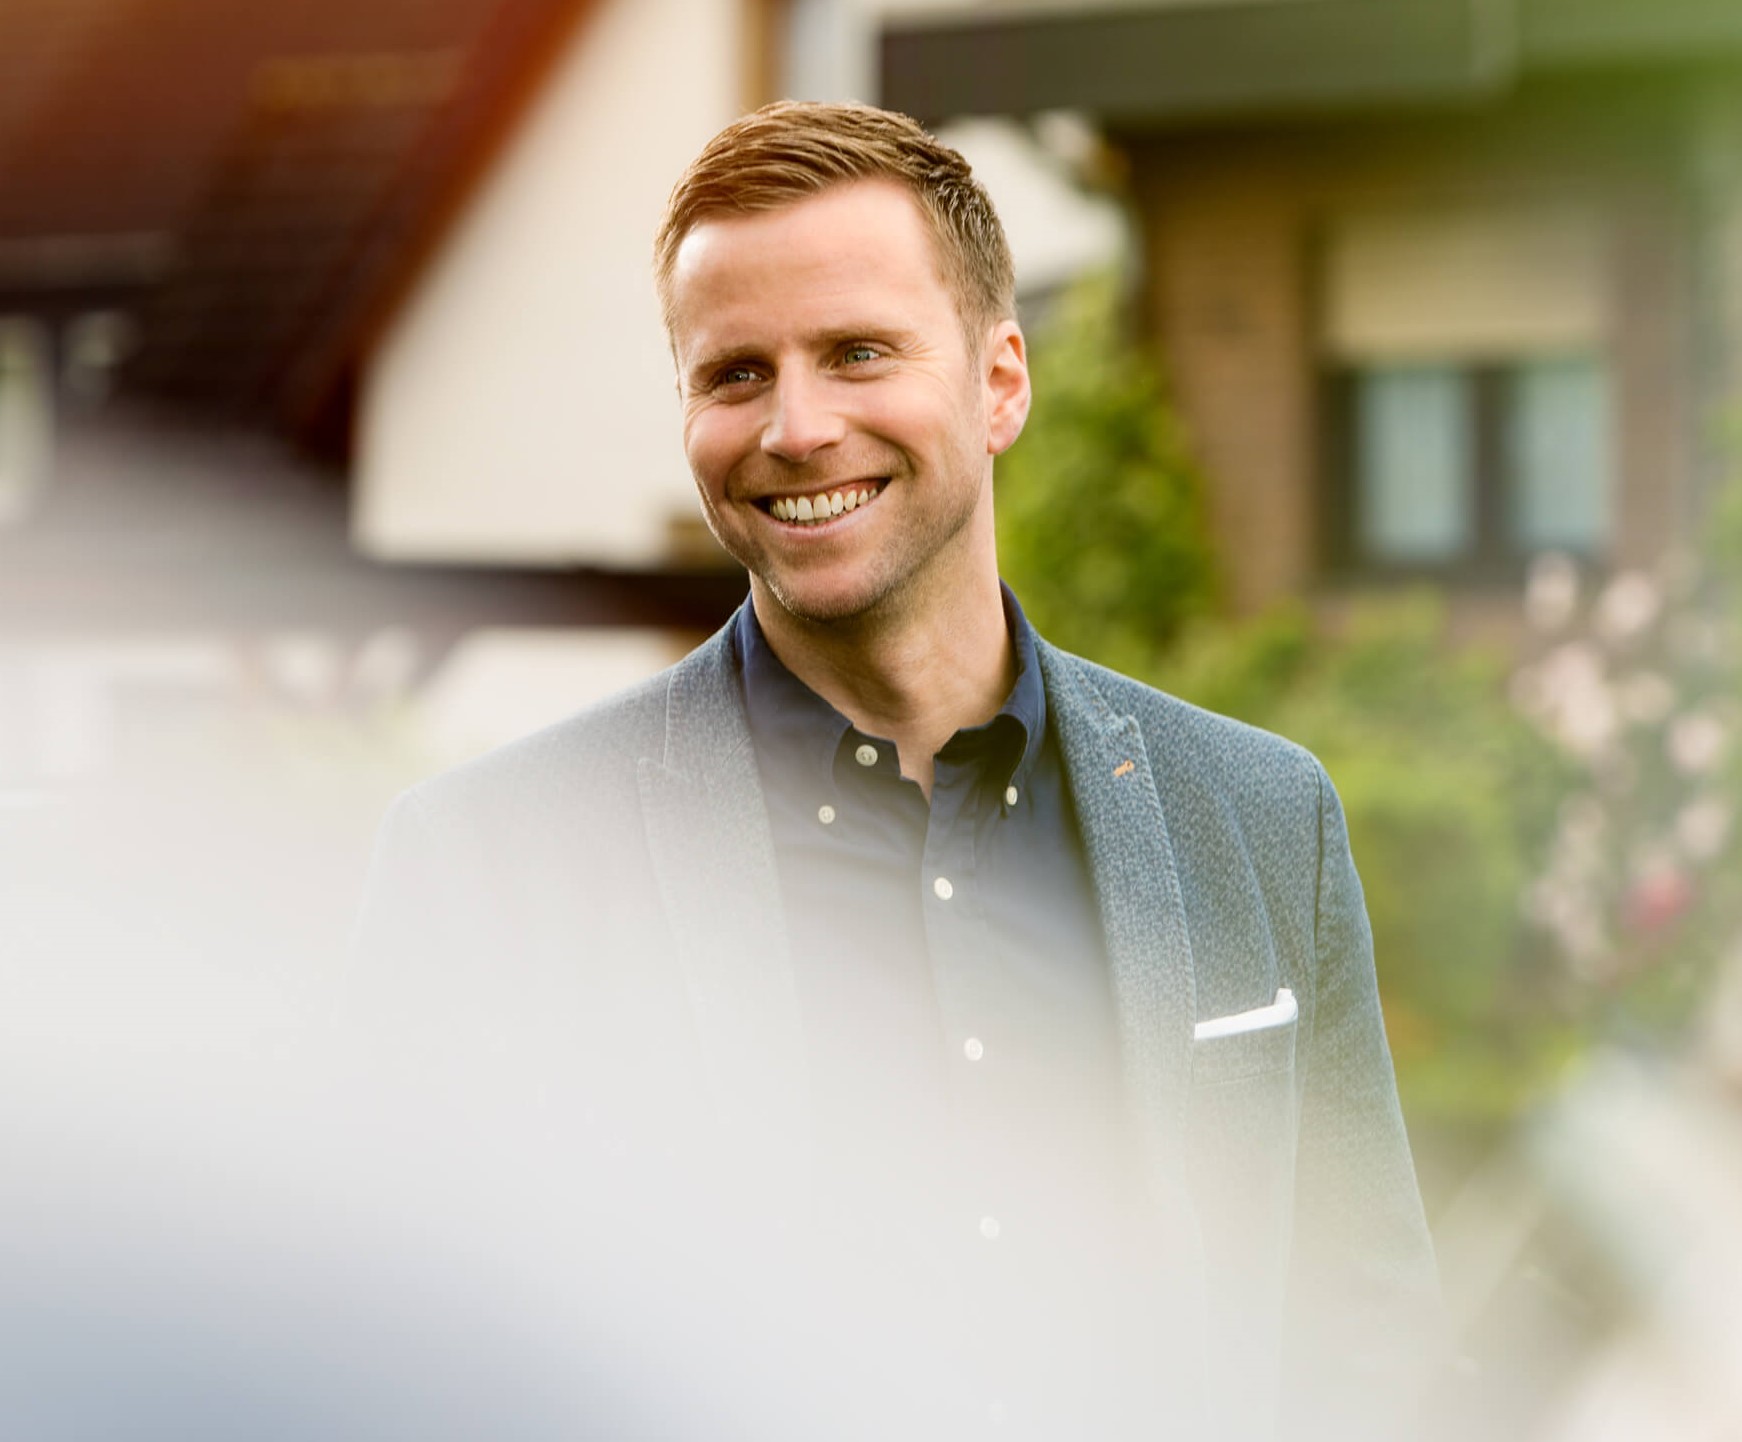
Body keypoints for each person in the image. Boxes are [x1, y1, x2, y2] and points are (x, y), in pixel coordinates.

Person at [356, 100, 1442, 1440]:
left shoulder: (1262, 821)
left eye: (856, 351)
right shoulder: (489, 867)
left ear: (1000, 380)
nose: (796, 427)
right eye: (733, 374)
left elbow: (1367, 1344)